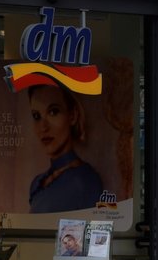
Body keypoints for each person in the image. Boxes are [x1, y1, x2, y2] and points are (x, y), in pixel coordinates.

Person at [27, 85, 103, 213]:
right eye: (37, 116)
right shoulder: (37, 183)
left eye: (53, 112)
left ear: (72, 116)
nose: (43, 127)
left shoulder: (85, 180)